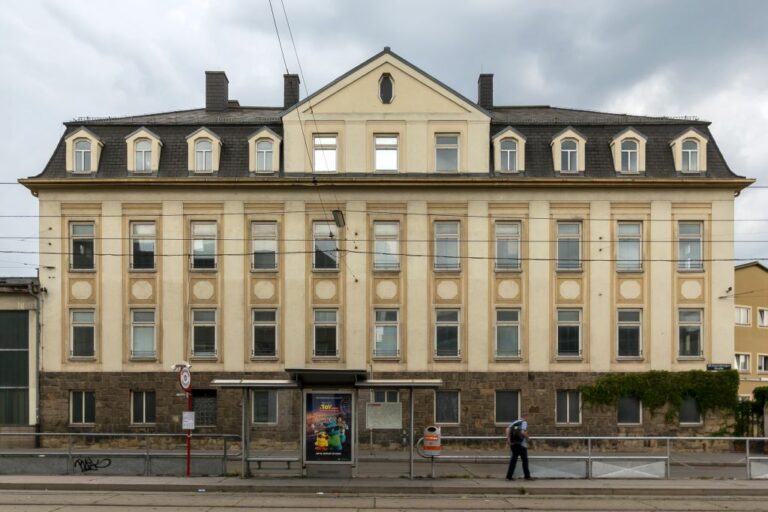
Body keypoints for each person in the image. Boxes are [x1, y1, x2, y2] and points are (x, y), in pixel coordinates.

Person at [505, 413, 532, 480]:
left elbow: (507, 429)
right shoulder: (524, 422)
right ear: (525, 417)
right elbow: (523, 432)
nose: (528, 419)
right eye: (527, 417)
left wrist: (509, 439)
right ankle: (527, 476)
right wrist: (528, 438)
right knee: (525, 461)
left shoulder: (515, 422)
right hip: (521, 445)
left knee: (513, 461)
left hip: (514, 444)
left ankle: (509, 476)